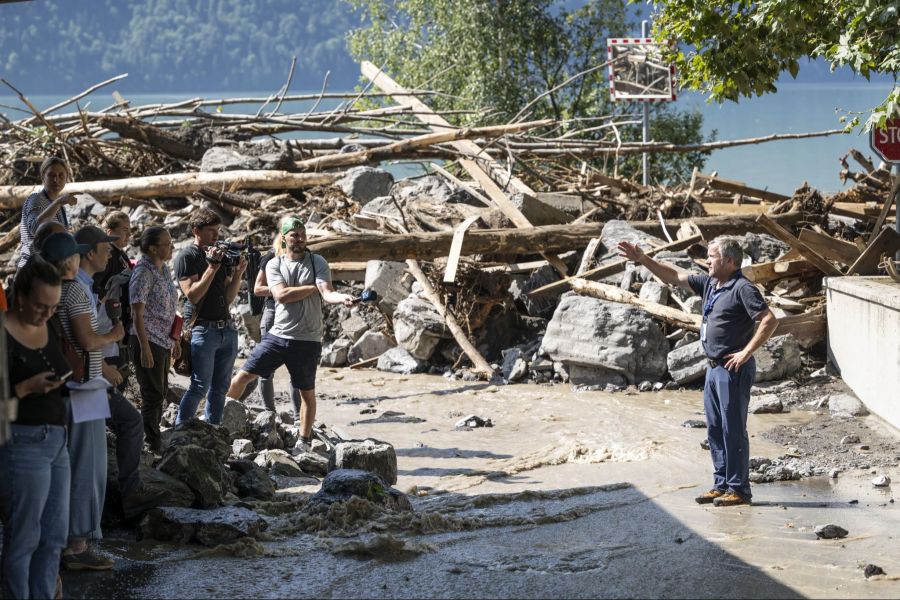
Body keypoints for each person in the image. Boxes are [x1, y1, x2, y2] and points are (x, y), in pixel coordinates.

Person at [618, 236, 778, 507]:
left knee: (733, 430)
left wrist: (746, 352)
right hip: (713, 368)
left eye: (711, 256)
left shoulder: (742, 288)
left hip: (733, 369)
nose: (706, 261)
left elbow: (770, 319)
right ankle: (721, 484)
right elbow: (676, 276)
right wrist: (643, 259)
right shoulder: (711, 284)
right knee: (715, 429)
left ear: (729, 261)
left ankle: (739, 490)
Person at [225, 217, 354, 449]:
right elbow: (281, 295)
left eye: (303, 234)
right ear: (284, 238)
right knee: (242, 376)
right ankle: (218, 420)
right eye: (294, 234)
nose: (300, 238)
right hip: (278, 335)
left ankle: (303, 441)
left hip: (308, 339)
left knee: (306, 393)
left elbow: (328, 293)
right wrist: (313, 287)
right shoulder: (275, 264)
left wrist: (342, 298)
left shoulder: (317, 262)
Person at [72, 225, 169, 519]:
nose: (109, 254)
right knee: (98, 444)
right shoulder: (77, 289)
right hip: (85, 381)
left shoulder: (84, 285)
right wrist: (111, 344)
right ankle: (90, 525)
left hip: (88, 378)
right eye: (104, 249)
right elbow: (81, 340)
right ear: (89, 253)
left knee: (98, 443)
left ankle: (90, 526)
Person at [41, 231, 122, 570]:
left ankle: (69, 541)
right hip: (85, 385)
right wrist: (115, 334)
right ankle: (77, 545)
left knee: (74, 462)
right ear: (70, 261)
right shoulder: (73, 289)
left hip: (71, 385)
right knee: (88, 465)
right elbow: (88, 341)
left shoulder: (48, 287)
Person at [0, 257, 71, 599]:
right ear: (20, 296)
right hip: (22, 442)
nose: (47, 314)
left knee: (54, 539)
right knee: (23, 540)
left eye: (54, 307)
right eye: (40, 306)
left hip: (58, 440)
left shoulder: (50, 325)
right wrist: (26, 388)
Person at [173, 209, 247, 425]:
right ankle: (181, 430)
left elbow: (227, 297)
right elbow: (193, 295)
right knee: (199, 386)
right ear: (196, 231)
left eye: (218, 230)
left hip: (226, 328)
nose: (216, 236)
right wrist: (212, 268)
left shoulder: (219, 257)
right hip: (202, 329)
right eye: (211, 231)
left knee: (221, 387)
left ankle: (213, 430)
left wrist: (238, 274)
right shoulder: (188, 256)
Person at [129, 226, 180, 454]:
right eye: (166, 244)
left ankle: (154, 435)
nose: (171, 247)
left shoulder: (163, 270)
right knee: (152, 392)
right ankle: (151, 443)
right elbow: (136, 313)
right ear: (152, 248)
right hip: (148, 339)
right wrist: (144, 347)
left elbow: (169, 307)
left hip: (163, 340)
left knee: (161, 390)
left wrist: (175, 339)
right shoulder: (143, 272)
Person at [253, 229, 300, 413]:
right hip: (273, 311)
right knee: (266, 368)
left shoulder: (304, 257)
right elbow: (257, 288)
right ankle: (269, 413)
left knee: (297, 367)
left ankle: (299, 417)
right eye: (293, 234)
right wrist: (280, 290)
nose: (297, 239)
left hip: (296, 314)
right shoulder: (271, 256)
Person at [18, 156, 76, 268]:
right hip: (33, 268)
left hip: (48, 267)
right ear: (43, 177)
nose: (56, 180)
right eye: (51, 175)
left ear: (67, 177)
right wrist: (58, 203)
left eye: (61, 175)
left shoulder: (58, 205)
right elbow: (36, 229)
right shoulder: (35, 199)